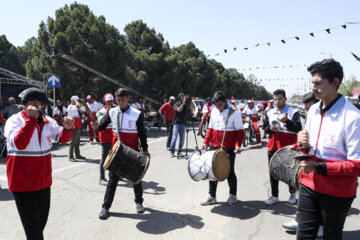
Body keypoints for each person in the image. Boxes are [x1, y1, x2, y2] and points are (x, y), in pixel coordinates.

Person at [295, 59, 360, 239]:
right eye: (312, 83)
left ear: (335, 82)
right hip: (308, 184)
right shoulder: (313, 110)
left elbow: (357, 165)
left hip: (337, 192)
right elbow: (307, 149)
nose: (313, 88)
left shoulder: (353, 117)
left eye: (318, 83)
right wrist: (300, 142)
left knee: (331, 236)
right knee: (304, 236)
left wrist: (318, 167)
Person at [4, 88, 73, 240]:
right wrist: (30, 120)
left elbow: (61, 138)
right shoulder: (14, 121)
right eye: (40, 104)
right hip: (23, 183)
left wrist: (68, 128)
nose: (43, 108)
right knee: (34, 230)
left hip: (43, 182)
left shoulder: (48, 121)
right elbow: (20, 144)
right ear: (29, 104)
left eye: (43, 105)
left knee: (40, 224)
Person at [92, 88, 150, 219]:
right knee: (112, 180)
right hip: (116, 152)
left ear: (128, 98)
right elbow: (101, 126)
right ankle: (105, 207)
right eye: (118, 100)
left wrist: (145, 149)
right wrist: (96, 126)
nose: (120, 103)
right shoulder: (112, 112)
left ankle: (139, 202)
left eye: (122, 100)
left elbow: (142, 133)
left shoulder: (136, 114)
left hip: (132, 151)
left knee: (136, 177)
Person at [282, 92, 323, 237]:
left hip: (321, 167)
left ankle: (321, 226)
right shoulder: (310, 116)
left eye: (309, 108)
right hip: (308, 164)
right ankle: (301, 220)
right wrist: (294, 146)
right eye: (305, 109)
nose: (307, 112)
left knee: (319, 198)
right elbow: (306, 141)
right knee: (304, 195)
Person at [201, 91, 245, 206]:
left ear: (225, 102)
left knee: (229, 171)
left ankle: (233, 195)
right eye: (216, 105)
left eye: (220, 105)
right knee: (212, 170)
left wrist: (237, 145)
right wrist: (206, 142)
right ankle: (212, 196)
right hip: (214, 145)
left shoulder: (234, 113)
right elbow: (210, 128)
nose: (218, 107)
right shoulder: (214, 110)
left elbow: (240, 131)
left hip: (228, 148)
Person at [263, 89, 302, 206]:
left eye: (280, 98)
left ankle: (292, 194)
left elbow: (298, 128)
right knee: (272, 171)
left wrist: (287, 121)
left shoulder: (293, 112)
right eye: (275, 99)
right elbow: (264, 129)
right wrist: (270, 129)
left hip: (289, 148)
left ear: (285, 99)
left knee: (290, 171)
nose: (277, 101)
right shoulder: (269, 113)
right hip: (273, 146)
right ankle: (274, 196)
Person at [96, 94, 115, 185]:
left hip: (114, 134)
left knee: (114, 155)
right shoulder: (100, 111)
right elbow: (100, 121)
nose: (109, 103)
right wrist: (106, 112)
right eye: (108, 101)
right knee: (104, 156)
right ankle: (102, 177)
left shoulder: (115, 110)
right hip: (104, 135)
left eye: (111, 101)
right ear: (105, 101)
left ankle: (113, 175)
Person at [67, 96, 86, 162]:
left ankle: (77, 154)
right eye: (76, 100)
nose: (78, 101)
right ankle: (71, 156)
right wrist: (75, 101)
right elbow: (78, 106)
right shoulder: (71, 106)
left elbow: (82, 107)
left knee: (77, 141)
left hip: (78, 124)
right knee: (73, 142)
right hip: (73, 125)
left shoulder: (76, 106)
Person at [169, 93, 189, 158]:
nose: (183, 97)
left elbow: (192, 108)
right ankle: (172, 151)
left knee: (182, 139)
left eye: (184, 97)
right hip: (176, 123)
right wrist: (183, 103)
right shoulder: (176, 104)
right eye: (182, 97)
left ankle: (179, 151)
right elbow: (179, 110)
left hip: (183, 123)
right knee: (174, 138)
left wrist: (189, 101)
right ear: (180, 97)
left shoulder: (185, 104)